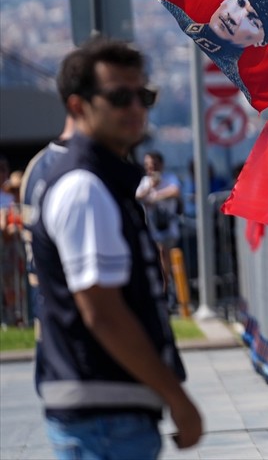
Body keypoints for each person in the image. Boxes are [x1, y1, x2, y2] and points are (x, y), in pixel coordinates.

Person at [31, 38, 202, 457]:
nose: (134, 109)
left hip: (111, 411)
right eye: (118, 97)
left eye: (143, 96)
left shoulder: (107, 181)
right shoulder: (85, 186)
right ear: (78, 106)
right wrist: (177, 399)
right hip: (102, 416)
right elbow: (102, 313)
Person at [136, 151, 183, 309]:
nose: (151, 169)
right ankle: (163, 292)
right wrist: (151, 186)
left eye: (154, 165)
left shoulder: (169, 179)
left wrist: (156, 196)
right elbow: (138, 196)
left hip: (168, 231)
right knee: (157, 262)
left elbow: (175, 191)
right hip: (152, 231)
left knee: (166, 256)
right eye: (148, 166)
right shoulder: (145, 182)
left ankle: (169, 292)